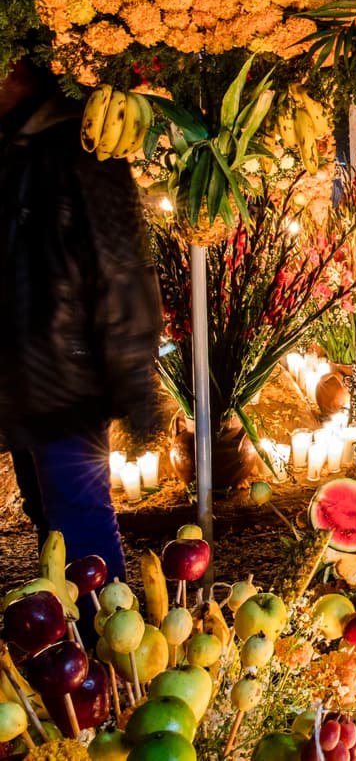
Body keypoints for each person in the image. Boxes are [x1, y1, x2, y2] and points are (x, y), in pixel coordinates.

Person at [0, 58, 163, 585]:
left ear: (21, 70)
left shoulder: (83, 146)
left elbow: (122, 270)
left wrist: (135, 386)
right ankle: (70, 643)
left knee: (80, 521)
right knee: (49, 521)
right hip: (22, 376)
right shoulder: (15, 145)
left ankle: (111, 648)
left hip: (67, 379)